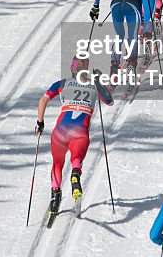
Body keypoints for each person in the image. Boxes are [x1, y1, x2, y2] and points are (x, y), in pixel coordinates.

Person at [35, 55, 113, 217]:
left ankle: (55, 197)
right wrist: (98, 80)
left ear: (72, 68)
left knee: (57, 163)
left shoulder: (62, 84)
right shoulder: (93, 84)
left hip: (60, 131)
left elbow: (43, 101)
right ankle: (75, 174)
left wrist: (40, 123)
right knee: (76, 158)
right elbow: (109, 101)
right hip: (80, 132)